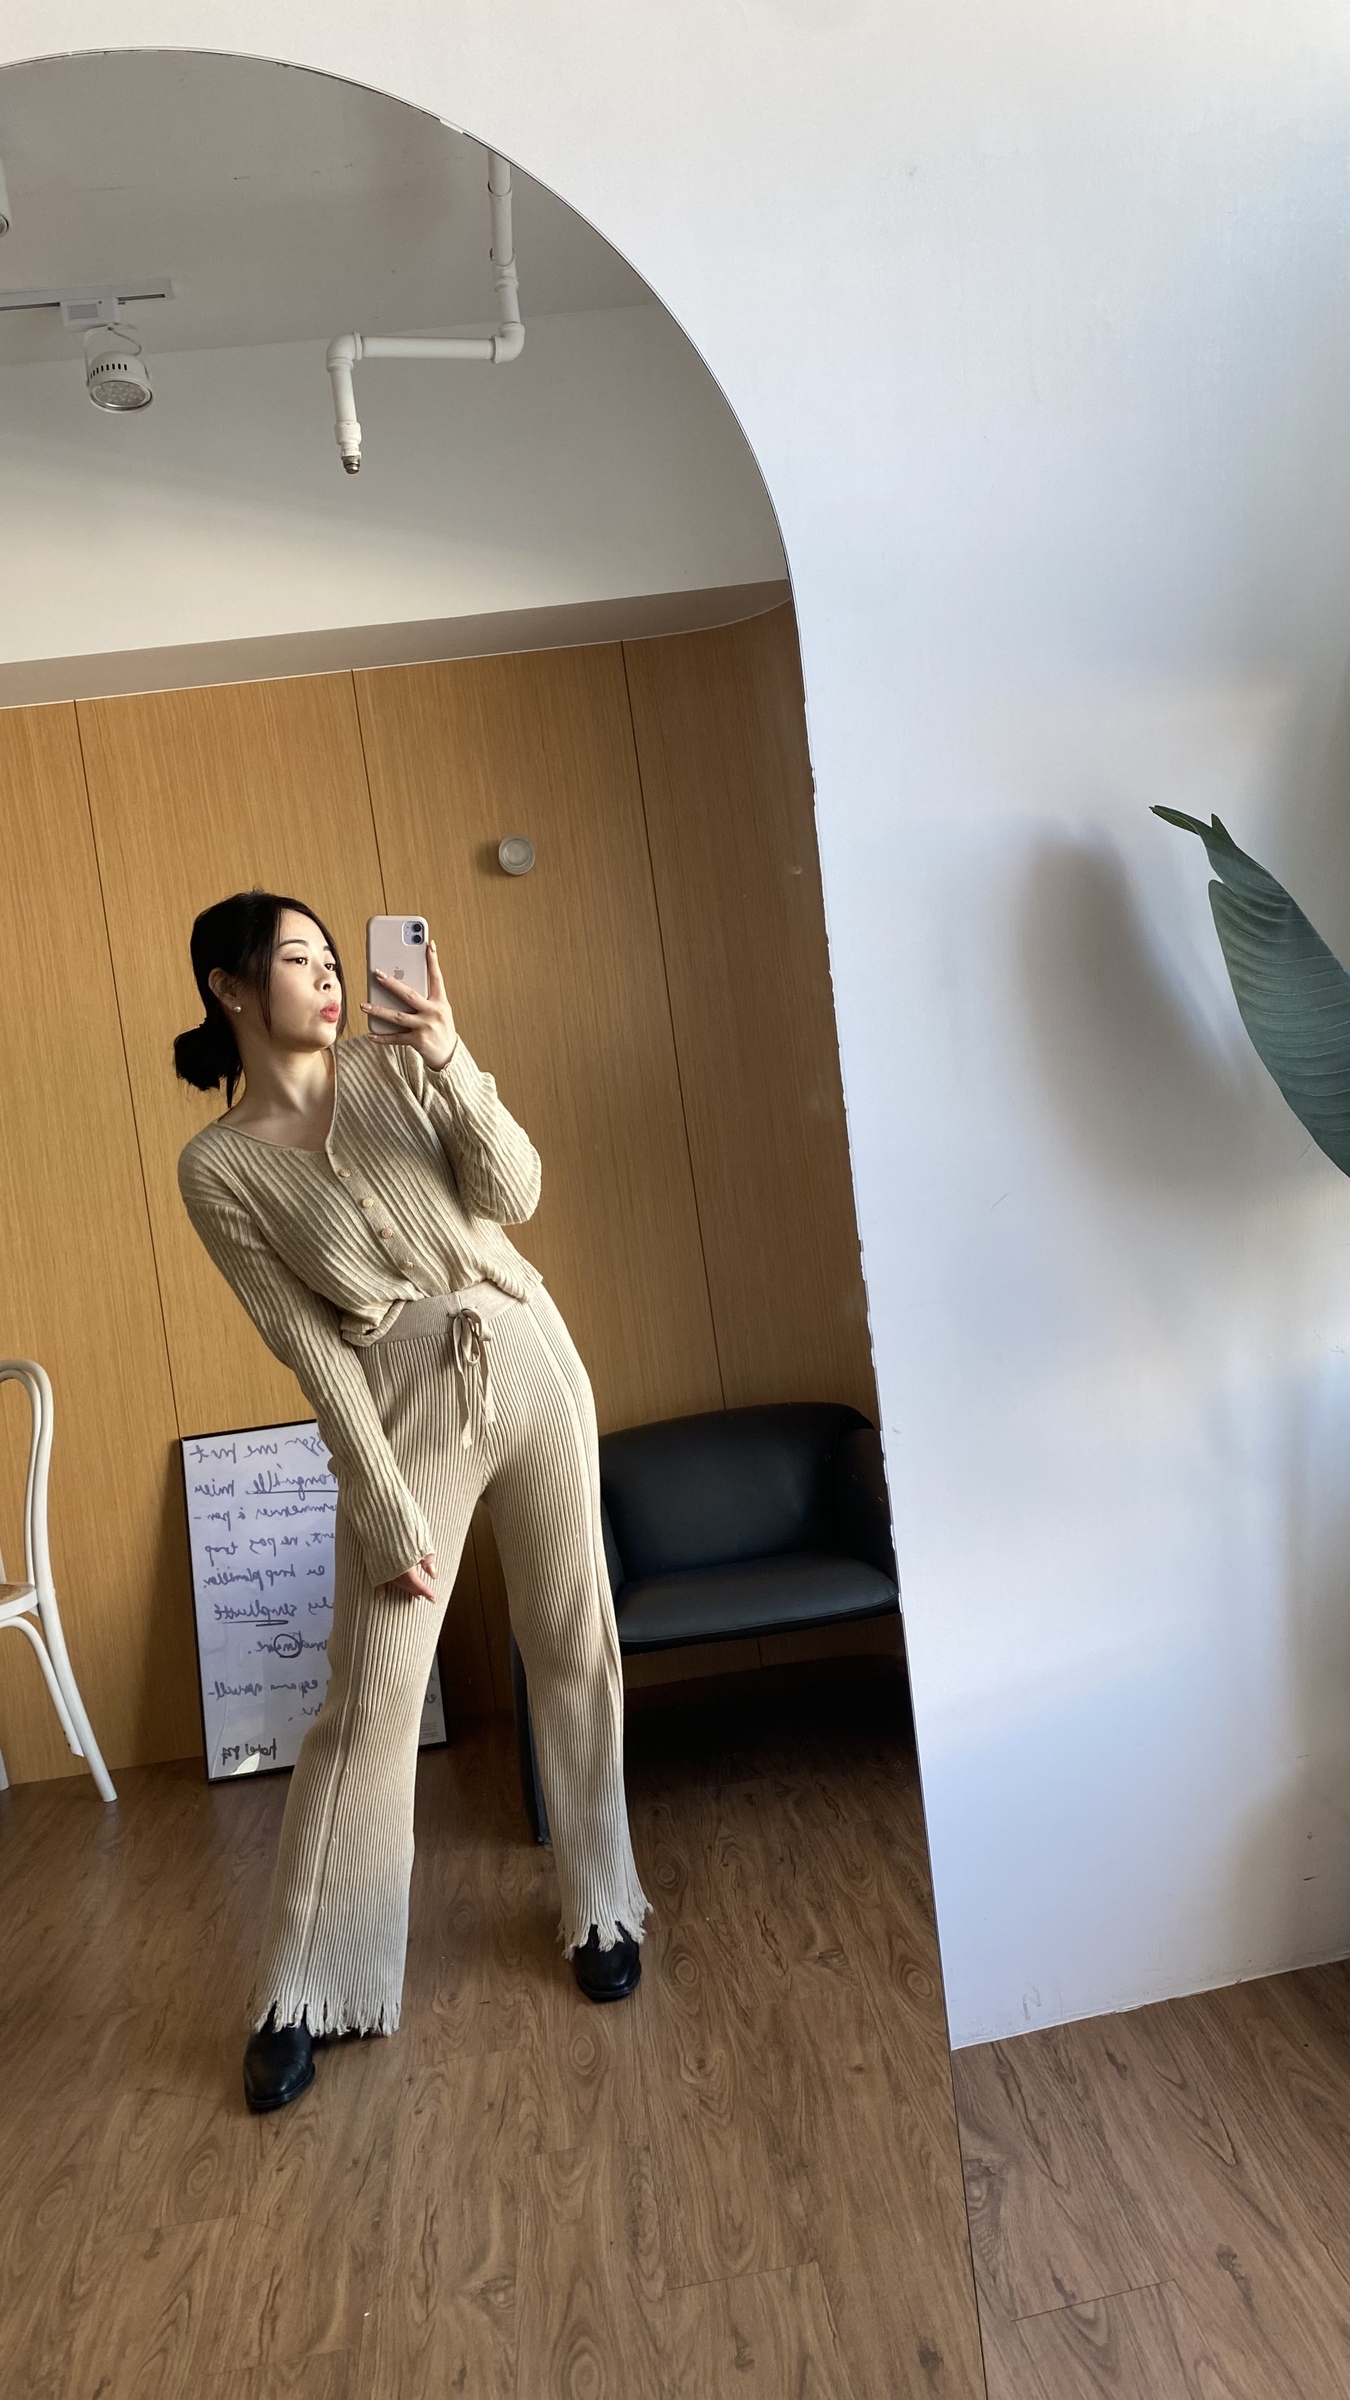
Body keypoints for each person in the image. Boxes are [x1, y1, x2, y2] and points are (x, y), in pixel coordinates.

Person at [174, 889, 649, 2112]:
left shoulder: (395, 1065)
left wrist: (448, 1055)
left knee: (573, 1642)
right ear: (231, 987)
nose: (330, 976)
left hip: (529, 1354)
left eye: (335, 957)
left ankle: (602, 1903)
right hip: (405, 1404)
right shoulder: (218, 1168)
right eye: (299, 959)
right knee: (372, 1701)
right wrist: (381, 1499)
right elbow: (309, 1346)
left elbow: (516, 1190)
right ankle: (303, 1988)